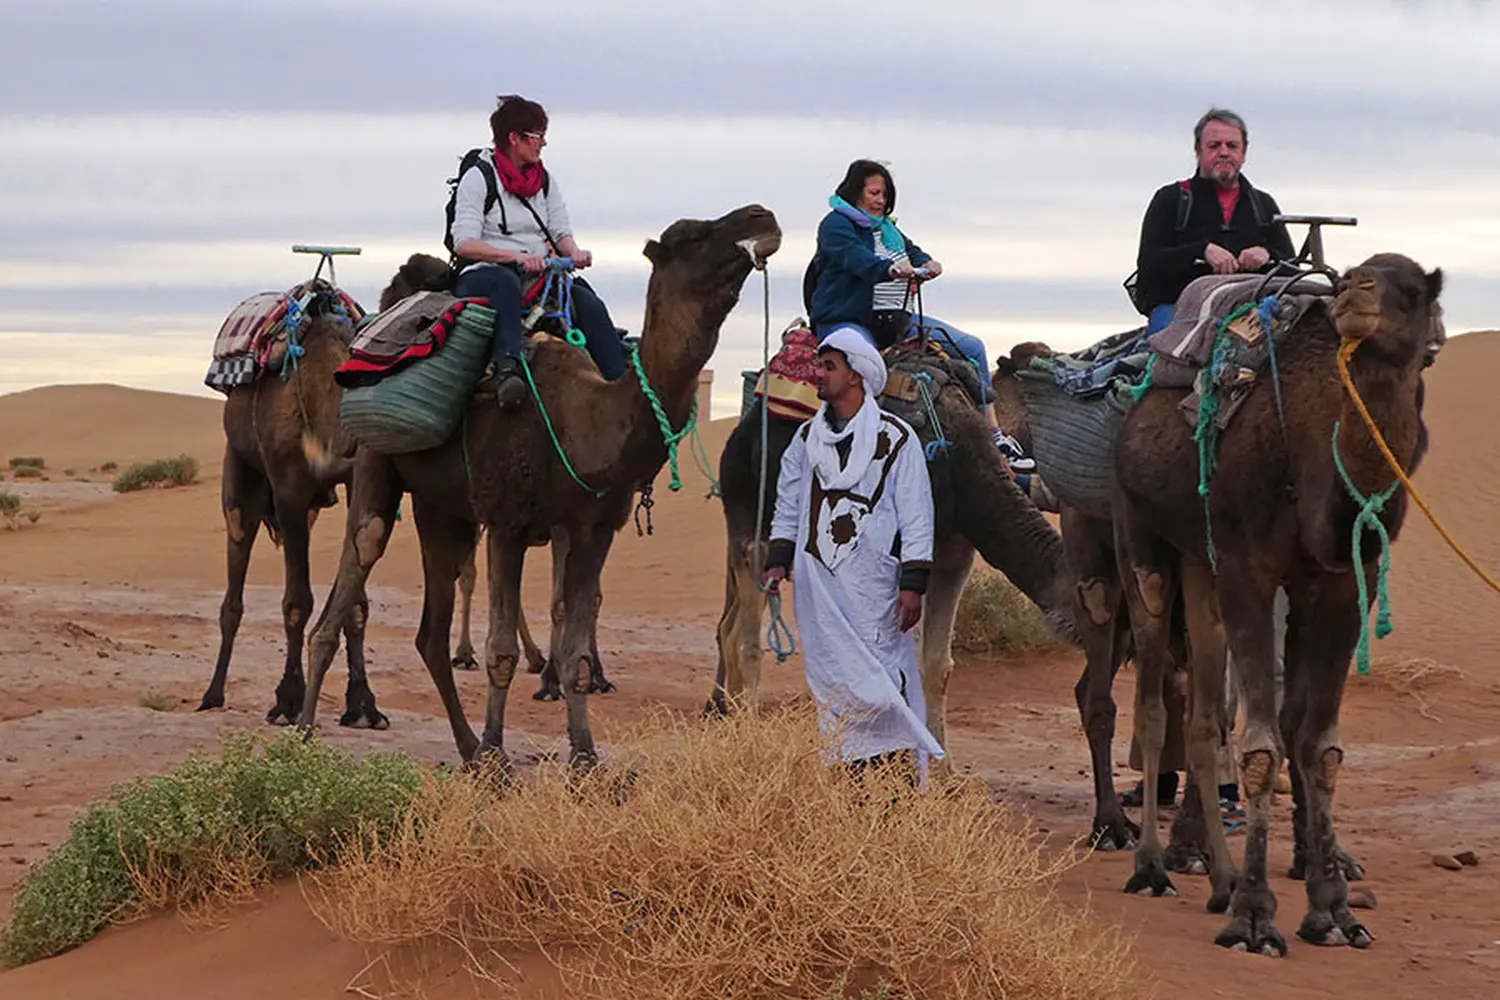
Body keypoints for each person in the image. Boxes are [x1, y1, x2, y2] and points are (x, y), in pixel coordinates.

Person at [761, 327, 944, 773]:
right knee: (834, 685)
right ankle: (847, 781)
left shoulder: (897, 439)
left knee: (883, 680)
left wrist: (913, 584)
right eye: (820, 365)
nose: (818, 375)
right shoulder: (805, 441)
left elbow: (916, 515)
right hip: (818, 590)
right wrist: (776, 562)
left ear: (856, 375)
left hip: (875, 587)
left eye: (829, 366)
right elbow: (788, 506)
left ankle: (895, 784)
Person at [807, 160, 1031, 469]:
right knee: (866, 365)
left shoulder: (889, 230)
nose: (880, 201)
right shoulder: (835, 225)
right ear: (855, 191)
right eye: (874, 193)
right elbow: (855, 260)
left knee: (972, 347)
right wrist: (889, 269)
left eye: (885, 195)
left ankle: (994, 435)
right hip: (851, 318)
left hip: (898, 321)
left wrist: (929, 264)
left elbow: (915, 253)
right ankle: (853, 439)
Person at [449, 95, 626, 407]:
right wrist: (516, 258)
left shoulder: (544, 181)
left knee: (589, 304)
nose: (543, 144)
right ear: (514, 138)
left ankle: (621, 385)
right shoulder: (479, 178)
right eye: (537, 136)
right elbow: (464, 242)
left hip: (540, 277)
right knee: (505, 285)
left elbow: (559, 231)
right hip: (485, 274)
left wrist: (575, 252)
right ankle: (508, 369)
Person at [1134, 108, 1296, 335]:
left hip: (1249, 310)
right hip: (1180, 310)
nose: (1223, 152)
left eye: (1232, 146)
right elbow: (1149, 263)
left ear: (1244, 152)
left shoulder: (1264, 204)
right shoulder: (1171, 199)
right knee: (1170, 357)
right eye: (1214, 146)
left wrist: (1267, 254)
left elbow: (1292, 266)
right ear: (1198, 151)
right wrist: (1201, 251)